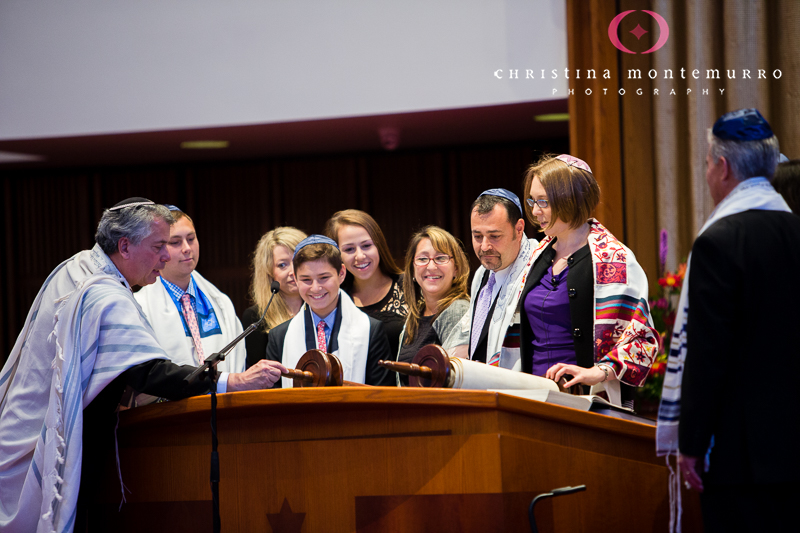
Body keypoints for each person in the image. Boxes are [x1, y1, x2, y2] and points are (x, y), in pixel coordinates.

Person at [0, 198, 285, 533]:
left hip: (22, 423)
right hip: (49, 436)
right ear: (124, 246)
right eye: (160, 246)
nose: (166, 257)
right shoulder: (105, 295)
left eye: (178, 242)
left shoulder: (75, 267)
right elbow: (149, 373)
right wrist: (229, 382)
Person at [656, 109, 800, 531]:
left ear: (721, 167)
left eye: (705, 163)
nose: (706, 172)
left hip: (744, 457)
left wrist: (691, 443)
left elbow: (708, 355)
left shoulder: (718, 241)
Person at [519, 155, 659, 406]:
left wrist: (599, 372)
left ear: (570, 201)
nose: (534, 211)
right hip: (533, 396)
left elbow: (643, 339)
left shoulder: (615, 259)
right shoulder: (537, 256)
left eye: (543, 202)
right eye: (532, 200)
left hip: (585, 400)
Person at [265, 235, 393, 388]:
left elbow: (380, 395)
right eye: (306, 280)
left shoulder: (370, 330)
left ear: (341, 274)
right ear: (296, 279)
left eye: (324, 277)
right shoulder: (280, 337)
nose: (316, 288)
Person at [135, 206, 246, 373]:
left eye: (191, 238)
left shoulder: (220, 302)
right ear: (158, 249)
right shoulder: (140, 306)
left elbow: (237, 361)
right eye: (175, 242)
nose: (187, 248)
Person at [465, 188, 538, 369]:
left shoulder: (538, 271)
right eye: (477, 236)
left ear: (519, 229)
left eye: (494, 236)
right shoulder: (482, 273)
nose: (485, 246)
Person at [324, 209, 408, 357]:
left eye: (366, 245)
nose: (360, 256)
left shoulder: (409, 287)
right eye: (349, 249)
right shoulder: (334, 299)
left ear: (379, 246)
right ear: (337, 256)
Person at [396, 226, 471, 385]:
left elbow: (454, 381)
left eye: (441, 258)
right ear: (412, 268)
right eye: (423, 259)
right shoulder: (414, 316)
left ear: (456, 268)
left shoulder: (458, 311)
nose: (431, 266)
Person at [241, 227, 307, 368]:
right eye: (282, 265)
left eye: (298, 261)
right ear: (270, 272)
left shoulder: (323, 310)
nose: (293, 271)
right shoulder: (256, 318)